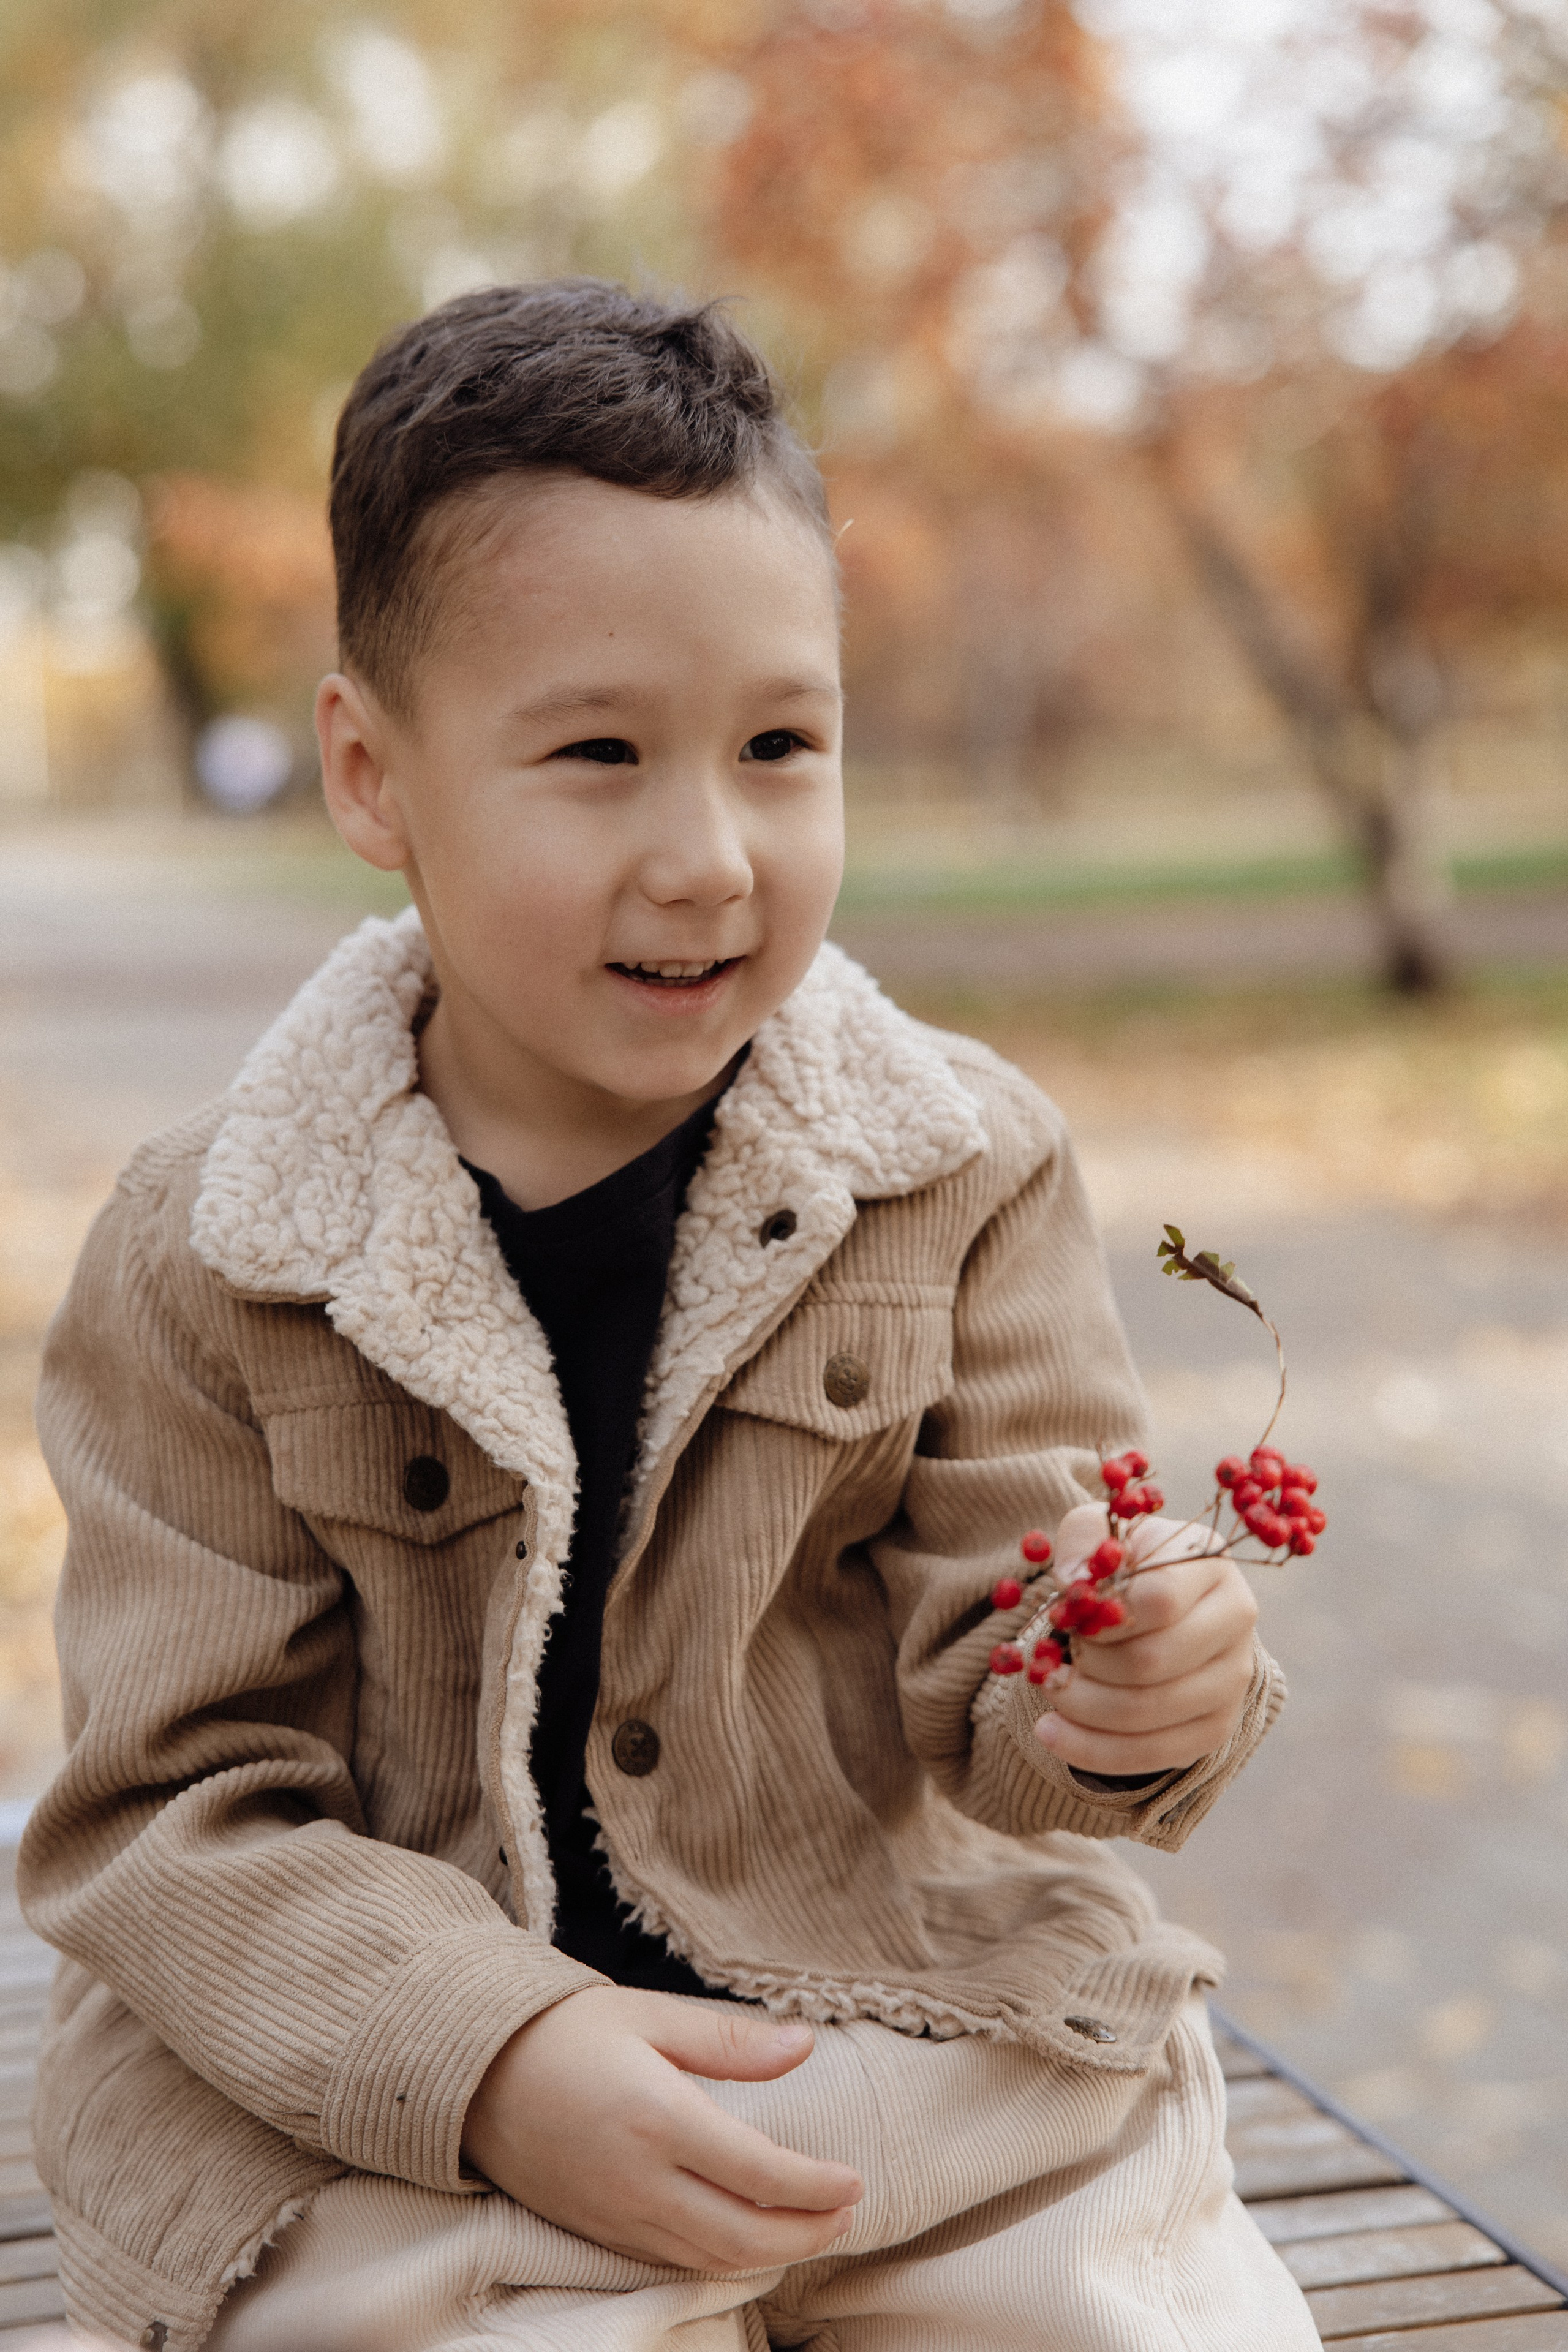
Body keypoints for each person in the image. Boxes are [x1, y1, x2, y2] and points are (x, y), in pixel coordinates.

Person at [20, 281, 1321, 2351]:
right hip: (396, 2115)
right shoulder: (212, 1254)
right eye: (601, 754)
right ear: (374, 775)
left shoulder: (959, 1170)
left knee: (1134, 2292)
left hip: (872, 2030)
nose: (710, 859)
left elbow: (1014, 1676)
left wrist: (1122, 1696)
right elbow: (171, 1816)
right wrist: (501, 2058)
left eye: (780, 748)